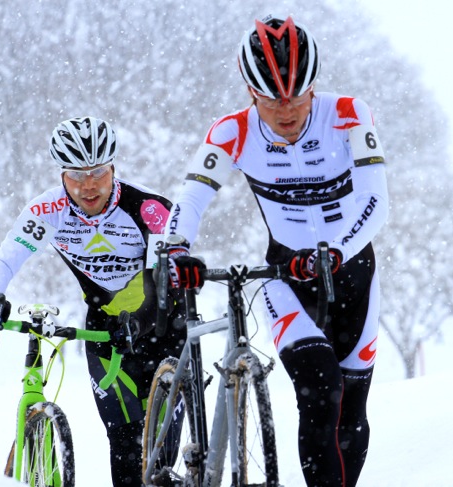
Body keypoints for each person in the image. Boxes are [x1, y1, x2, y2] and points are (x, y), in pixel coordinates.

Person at [162, 15, 389, 486]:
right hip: (286, 277)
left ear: (313, 89)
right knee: (320, 391)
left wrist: (337, 252)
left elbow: (375, 201)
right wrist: (176, 247)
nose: (287, 111)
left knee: (351, 408)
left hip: (353, 272)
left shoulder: (348, 113)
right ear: (250, 92)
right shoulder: (232, 131)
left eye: (298, 97)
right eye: (271, 99)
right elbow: (192, 194)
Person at [0, 116, 185, 486]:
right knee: (123, 444)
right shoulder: (47, 211)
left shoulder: (150, 208)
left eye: (98, 172)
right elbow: (4, 258)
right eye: (76, 174)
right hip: (104, 328)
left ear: (113, 167)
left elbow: (164, 283)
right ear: (61, 174)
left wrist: (138, 321)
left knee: (159, 454)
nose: (88, 185)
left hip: (162, 326)